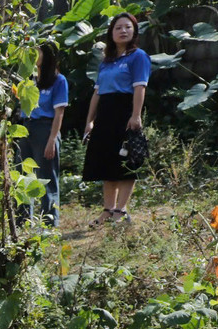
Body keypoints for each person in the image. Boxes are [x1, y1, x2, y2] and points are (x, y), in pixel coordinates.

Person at [83, 12, 151, 224]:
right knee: (106, 162)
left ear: (134, 31)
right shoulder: (106, 61)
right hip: (105, 113)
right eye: (118, 28)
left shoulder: (138, 56)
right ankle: (107, 210)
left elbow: (140, 87)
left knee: (126, 163)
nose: (123, 31)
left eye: (127, 27)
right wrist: (89, 121)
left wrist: (136, 115)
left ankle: (121, 211)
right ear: (111, 33)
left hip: (125, 112)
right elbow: (97, 93)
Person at [19, 44, 68, 226]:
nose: (32, 55)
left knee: (46, 177)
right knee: (24, 175)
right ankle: (23, 221)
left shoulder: (58, 80)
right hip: (26, 127)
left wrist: (52, 140)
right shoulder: (27, 80)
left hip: (45, 129)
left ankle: (49, 222)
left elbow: (59, 113)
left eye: (36, 52)